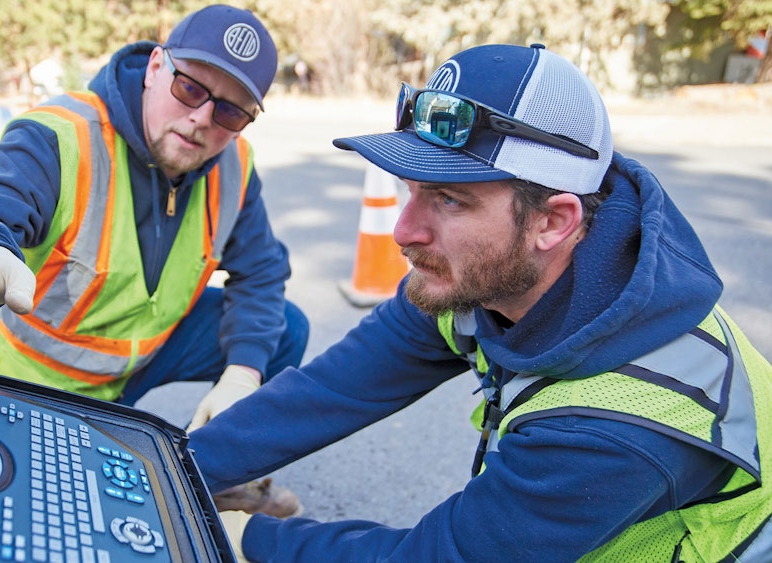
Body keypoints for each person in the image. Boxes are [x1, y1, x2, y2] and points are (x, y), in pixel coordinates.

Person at [190, 43, 772, 561]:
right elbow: (333, 391)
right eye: (412, 189)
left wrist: (244, 541)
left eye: (449, 199)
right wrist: (175, 471)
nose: (404, 230)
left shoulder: (621, 421)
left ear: (553, 220)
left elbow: (446, 555)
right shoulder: (486, 273)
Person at [0, 4, 309, 518]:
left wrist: (243, 373)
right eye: (191, 89)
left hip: (137, 358)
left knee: (282, 331)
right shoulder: (64, 135)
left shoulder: (233, 167)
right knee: (38, 520)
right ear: (156, 67)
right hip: (33, 382)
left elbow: (262, 271)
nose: (201, 119)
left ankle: (213, 479)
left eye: (230, 112)